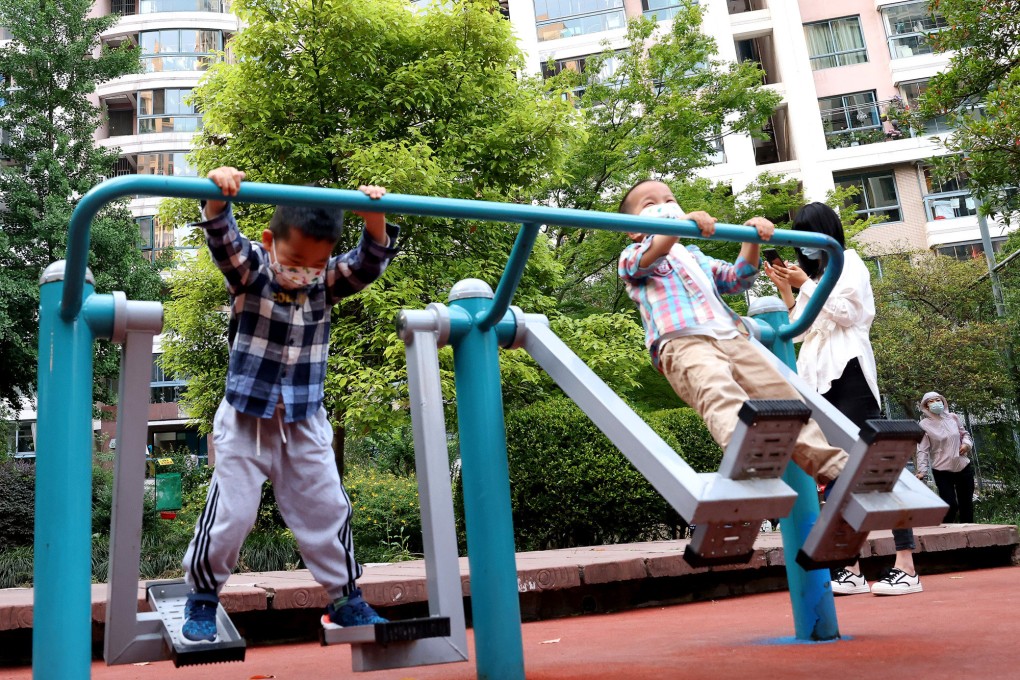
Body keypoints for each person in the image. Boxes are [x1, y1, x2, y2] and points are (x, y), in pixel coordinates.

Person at [179, 166, 400, 643]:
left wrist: (373, 219)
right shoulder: (253, 272)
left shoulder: (324, 282)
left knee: (327, 507)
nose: (303, 272)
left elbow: (367, 262)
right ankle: (202, 596)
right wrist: (218, 196)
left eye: (315, 264)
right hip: (246, 418)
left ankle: (345, 599)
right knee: (232, 513)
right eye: (295, 259)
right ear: (269, 241)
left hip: (304, 418)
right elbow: (223, 239)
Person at [617, 180, 849, 491]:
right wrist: (678, 225)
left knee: (783, 398)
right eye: (650, 204)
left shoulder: (694, 255)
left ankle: (833, 470)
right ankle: (747, 453)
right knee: (720, 393)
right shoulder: (631, 255)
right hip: (683, 341)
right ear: (633, 228)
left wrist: (751, 236)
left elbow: (737, 278)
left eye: (670, 199)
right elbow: (656, 248)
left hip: (732, 337)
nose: (665, 204)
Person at [765, 201, 921, 596]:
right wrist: (788, 289)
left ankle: (906, 564)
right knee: (836, 474)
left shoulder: (847, 261)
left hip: (848, 371)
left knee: (879, 466)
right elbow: (799, 332)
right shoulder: (813, 275)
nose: (805, 244)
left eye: (808, 231)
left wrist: (806, 285)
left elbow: (848, 314)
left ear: (825, 232)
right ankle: (849, 567)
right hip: (818, 380)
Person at [916, 391, 975, 524]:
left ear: (943, 401)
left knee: (966, 505)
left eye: (937, 400)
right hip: (942, 470)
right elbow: (922, 449)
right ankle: (944, 532)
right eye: (931, 401)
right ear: (925, 406)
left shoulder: (953, 417)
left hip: (962, 466)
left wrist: (966, 444)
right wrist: (922, 471)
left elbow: (964, 434)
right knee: (950, 505)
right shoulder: (924, 425)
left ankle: (970, 537)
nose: (935, 403)